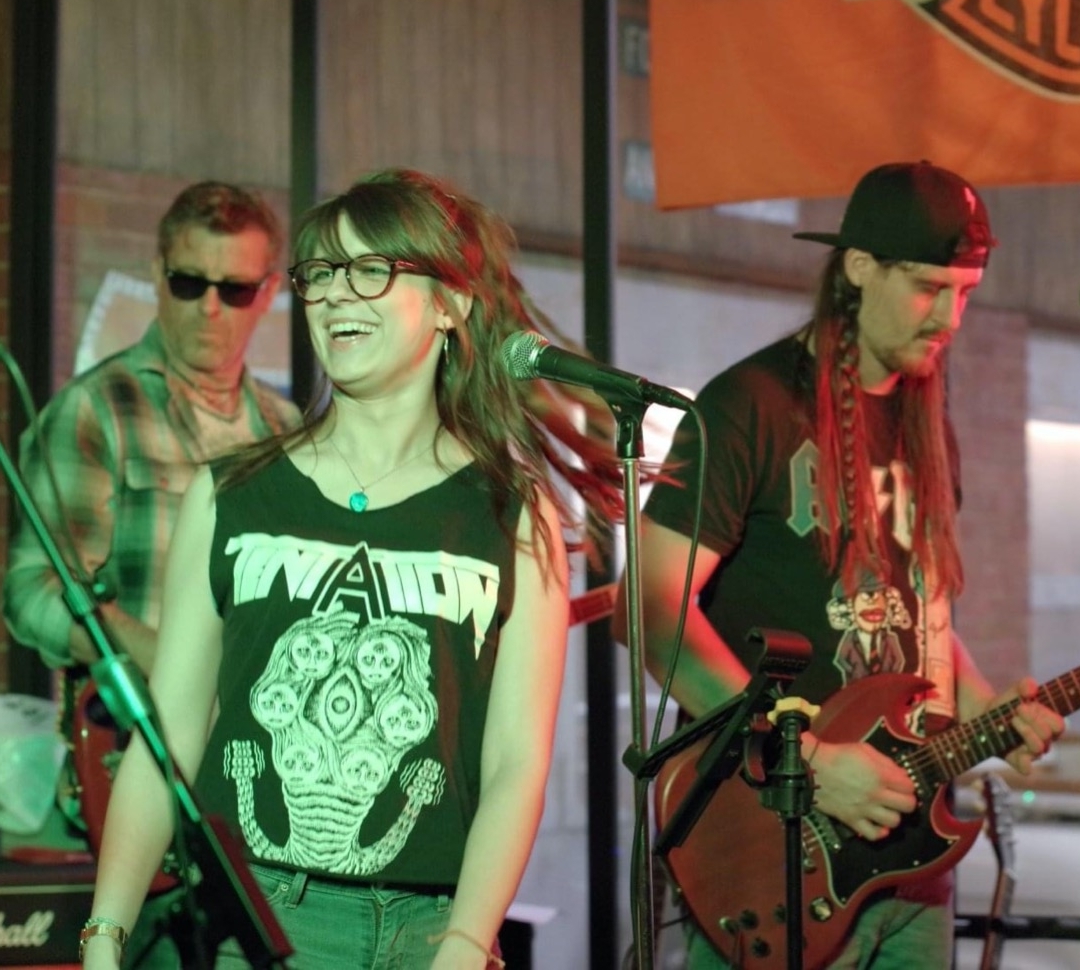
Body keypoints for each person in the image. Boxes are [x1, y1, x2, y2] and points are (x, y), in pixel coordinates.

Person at [80, 169, 623, 970]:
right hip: (256, 923)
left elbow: (515, 764)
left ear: (449, 304)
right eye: (321, 273)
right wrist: (105, 936)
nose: (336, 294)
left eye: (370, 270)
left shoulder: (511, 513)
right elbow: (169, 738)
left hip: (434, 930)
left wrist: (467, 942)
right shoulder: (232, 495)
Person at [614, 161, 1064, 968]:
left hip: (911, 852)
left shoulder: (928, 421)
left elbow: (920, 615)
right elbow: (647, 612)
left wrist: (988, 706)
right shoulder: (748, 405)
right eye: (928, 288)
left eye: (965, 292)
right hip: (773, 843)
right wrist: (811, 761)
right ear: (858, 268)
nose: (950, 317)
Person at [2, 180, 299, 964]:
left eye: (235, 289)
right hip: (138, 775)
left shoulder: (289, 433)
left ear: (269, 293)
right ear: (159, 272)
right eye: (189, 283)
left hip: (265, 790)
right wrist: (163, 659)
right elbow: (30, 593)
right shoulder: (97, 409)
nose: (210, 308)